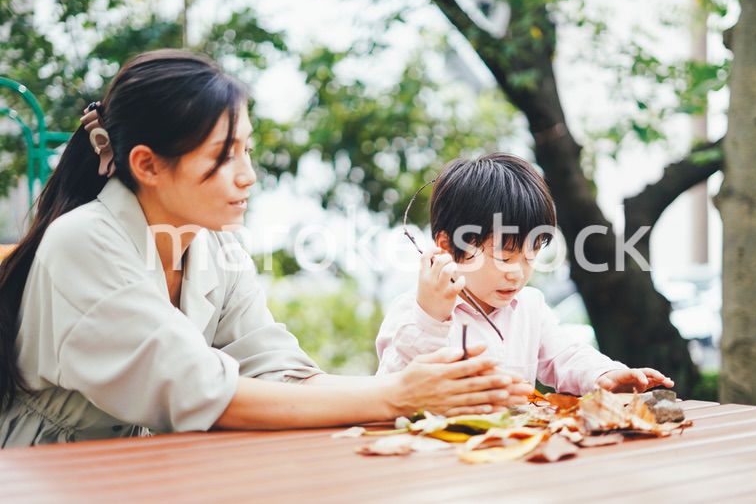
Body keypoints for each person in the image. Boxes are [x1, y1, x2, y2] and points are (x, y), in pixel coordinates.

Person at [0, 50, 531, 447]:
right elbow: (204, 392)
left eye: (247, 150)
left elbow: (280, 371)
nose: (248, 176)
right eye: (224, 156)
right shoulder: (83, 242)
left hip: (147, 464)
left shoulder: (216, 249)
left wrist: (426, 390)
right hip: (47, 473)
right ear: (147, 165)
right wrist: (399, 395)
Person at [376, 153, 675, 395]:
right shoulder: (415, 313)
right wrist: (431, 319)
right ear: (447, 247)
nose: (517, 274)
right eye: (504, 257)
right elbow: (391, 387)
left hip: (513, 452)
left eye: (531, 255)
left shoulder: (529, 308)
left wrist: (605, 374)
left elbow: (565, 355)